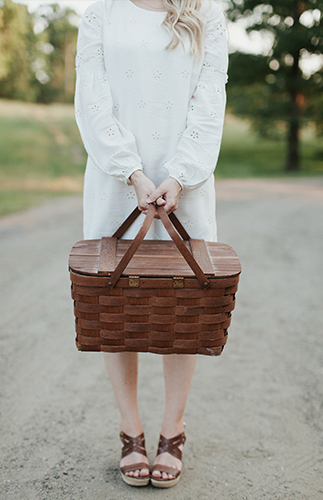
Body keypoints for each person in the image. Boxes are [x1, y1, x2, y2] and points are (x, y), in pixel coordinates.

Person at [74, 0, 228, 488]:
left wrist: (180, 175)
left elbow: (210, 99)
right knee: (115, 298)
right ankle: (130, 430)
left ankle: (172, 431)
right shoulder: (101, 12)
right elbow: (92, 99)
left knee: (183, 302)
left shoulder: (207, 11)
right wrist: (132, 172)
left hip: (188, 181)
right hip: (116, 178)